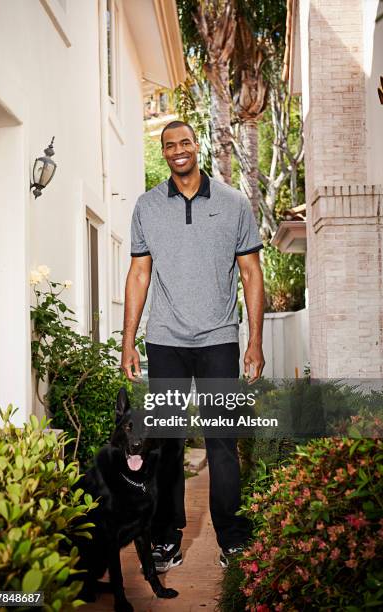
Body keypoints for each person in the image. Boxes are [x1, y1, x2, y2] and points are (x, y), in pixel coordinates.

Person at [121, 120, 265, 571]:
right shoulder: (146, 206)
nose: (178, 150)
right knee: (167, 441)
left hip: (220, 337)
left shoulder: (234, 203)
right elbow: (139, 274)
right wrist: (129, 342)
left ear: (196, 146)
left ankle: (232, 536)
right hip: (164, 340)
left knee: (223, 440)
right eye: (169, 145)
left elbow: (251, 274)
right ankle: (165, 539)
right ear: (162, 153)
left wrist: (254, 341)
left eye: (184, 142)